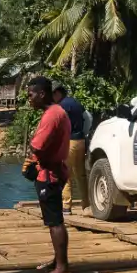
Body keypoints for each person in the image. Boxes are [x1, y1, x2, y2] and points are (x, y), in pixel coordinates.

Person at [24, 75, 72, 273]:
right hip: (52, 171)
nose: (29, 99)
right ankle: (57, 260)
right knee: (53, 220)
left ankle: (62, 267)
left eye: (31, 94)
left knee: (55, 222)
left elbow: (37, 146)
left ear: (42, 94)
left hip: (50, 174)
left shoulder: (52, 115)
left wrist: (31, 146)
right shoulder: (55, 112)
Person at [52, 83, 89, 212]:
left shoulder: (60, 106)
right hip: (80, 141)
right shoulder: (76, 103)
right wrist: (84, 133)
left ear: (57, 93)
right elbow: (88, 118)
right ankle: (86, 204)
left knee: (65, 173)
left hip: (69, 142)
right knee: (81, 174)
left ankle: (66, 206)